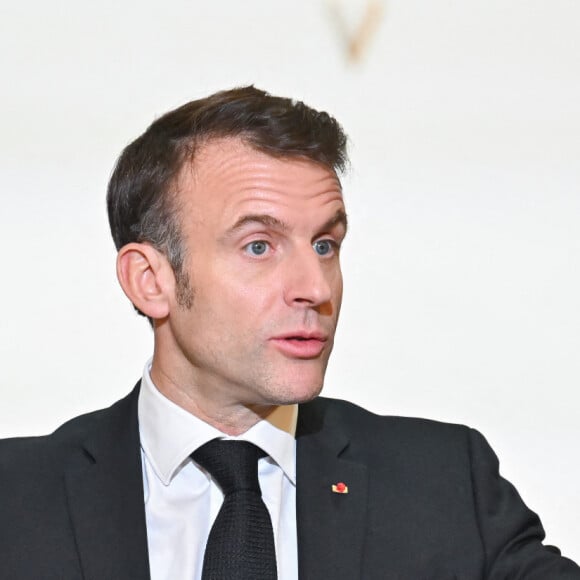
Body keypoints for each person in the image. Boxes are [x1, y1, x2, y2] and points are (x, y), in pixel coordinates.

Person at [0, 86, 578, 580]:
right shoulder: (16, 500)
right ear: (150, 280)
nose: (315, 287)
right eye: (259, 246)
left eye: (325, 245)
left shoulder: (444, 483)